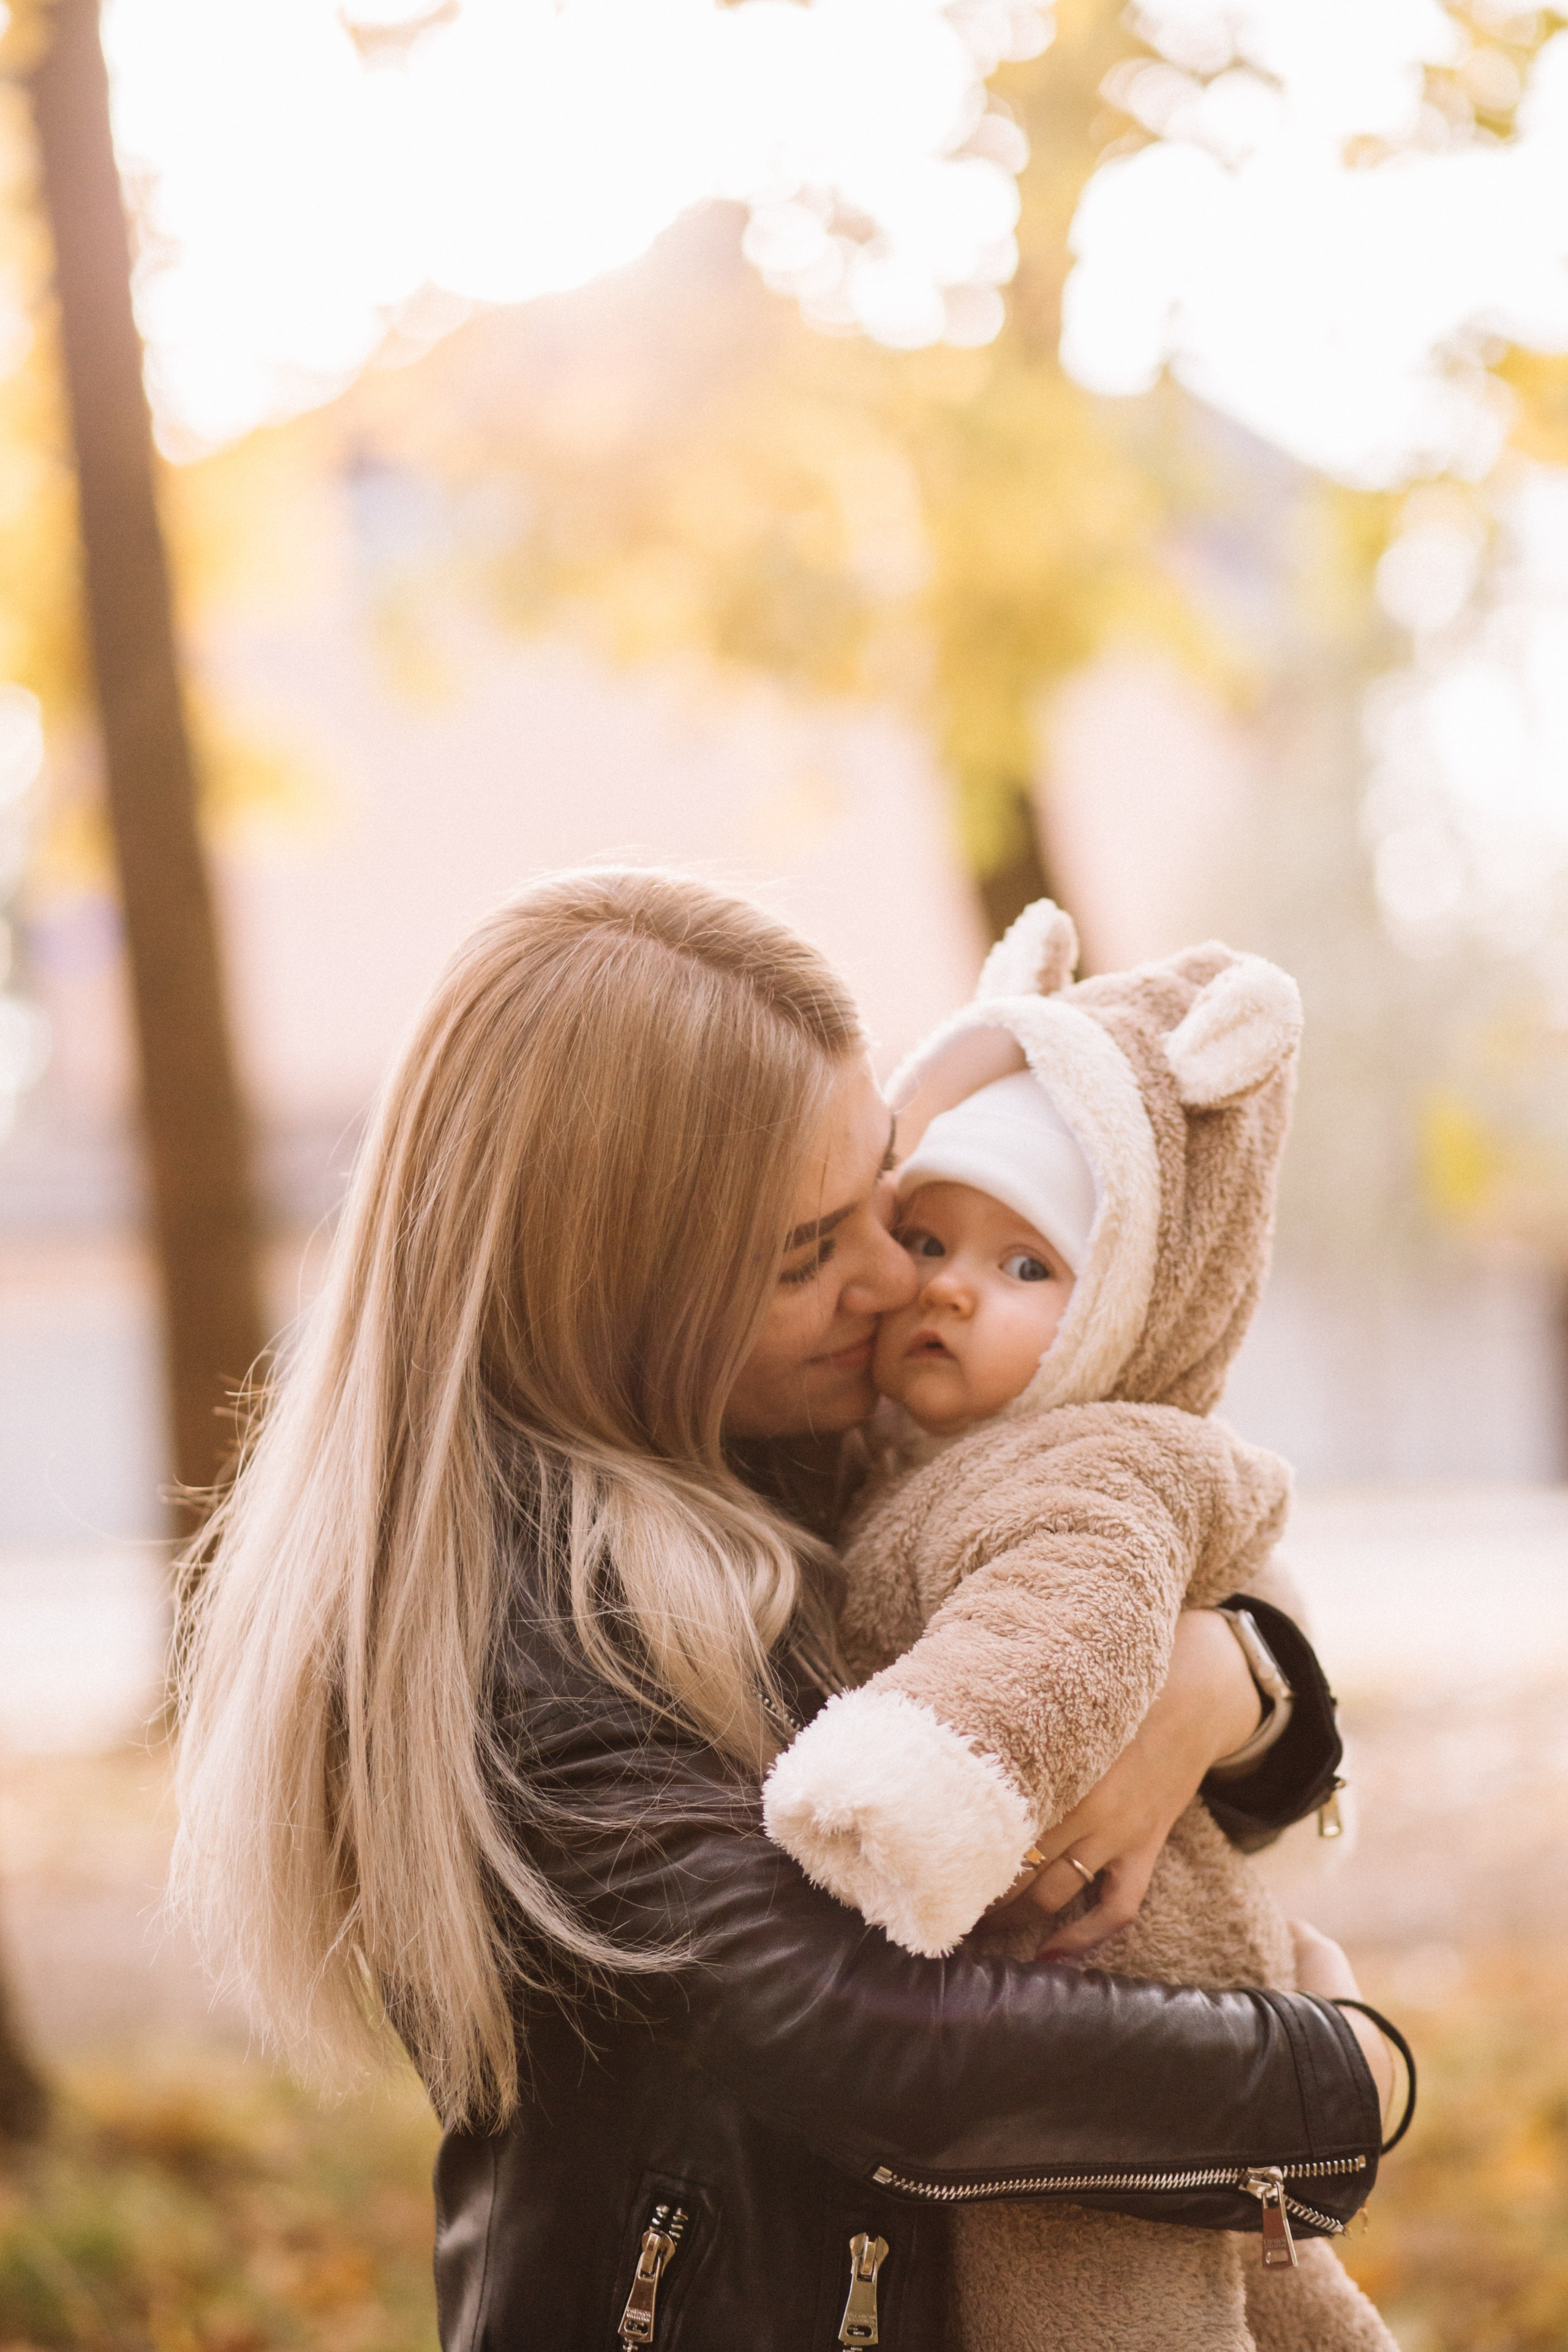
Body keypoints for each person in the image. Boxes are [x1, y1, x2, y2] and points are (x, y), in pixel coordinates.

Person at [171, 869, 1398, 2351]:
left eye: (882, 1182)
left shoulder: (810, 1451)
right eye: (809, 1251)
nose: (896, 1276)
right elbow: (858, 2035)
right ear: (626, 1301)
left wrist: (1226, 1675)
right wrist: (1332, 2081)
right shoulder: (526, 1629)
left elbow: (1148, 1621)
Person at [764, 900, 1400, 2351]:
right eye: (922, 1234)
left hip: (1105, 1981)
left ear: (1124, 1305)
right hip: (1061, 2028)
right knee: (1265, 2289)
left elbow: (1057, 1626)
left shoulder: (1079, 1462)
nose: (941, 1285)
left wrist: (925, 1780)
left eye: (1026, 1267)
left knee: (1108, 2303)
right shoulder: (892, 1458)